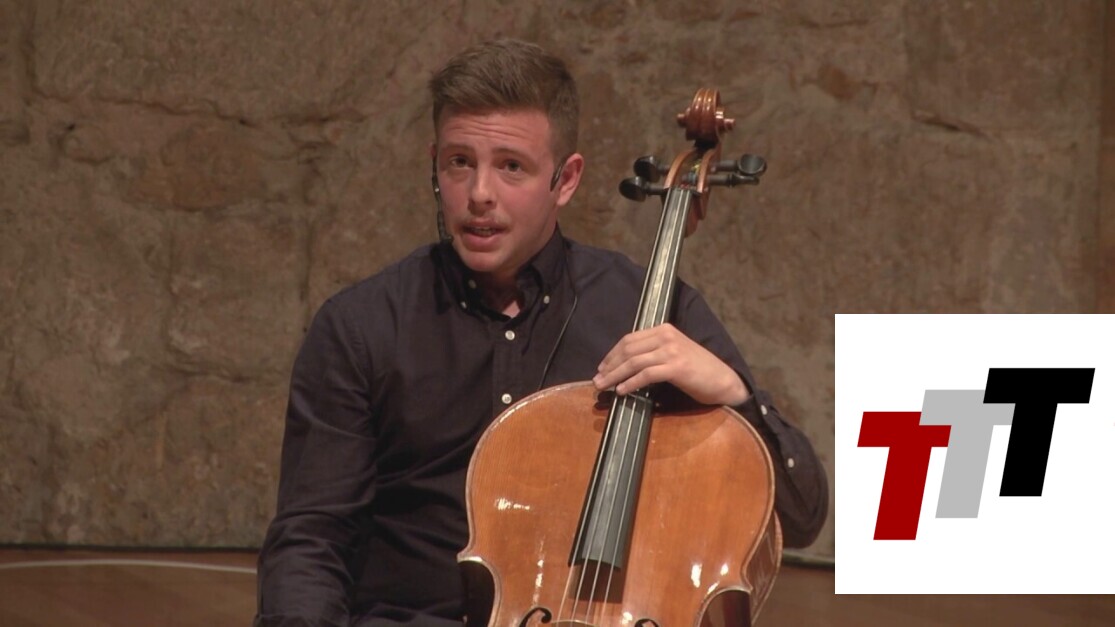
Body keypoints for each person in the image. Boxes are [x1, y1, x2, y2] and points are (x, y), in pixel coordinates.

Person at [255, 38, 828, 627]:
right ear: (434, 165)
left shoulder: (648, 310)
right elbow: (312, 539)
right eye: (459, 162)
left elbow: (802, 515)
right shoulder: (361, 326)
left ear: (566, 179)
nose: (480, 193)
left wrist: (735, 396)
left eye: (511, 166)